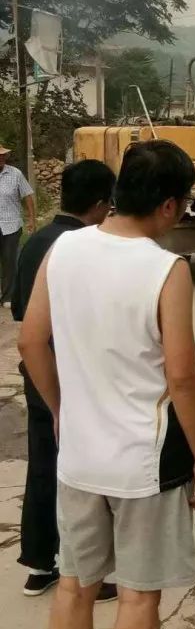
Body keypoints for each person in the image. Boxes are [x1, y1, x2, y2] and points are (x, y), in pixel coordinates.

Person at [20, 140, 195, 629]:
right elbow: (183, 376)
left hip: (78, 456)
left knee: (76, 585)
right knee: (137, 597)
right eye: (183, 205)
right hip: (144, 459)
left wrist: (61, 412)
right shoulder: (165, 270)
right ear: (166, 204)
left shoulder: (64, 248)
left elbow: (31, 343)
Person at [12, 159, 118, 599]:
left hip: (38, 374)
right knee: (90, 475)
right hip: (76, 376)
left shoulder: (35, 242)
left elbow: (21, 315)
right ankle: (95, 573)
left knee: (43, 469)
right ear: (99, 204)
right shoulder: (86, 247)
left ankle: (40, 565)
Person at [0, 144, 36, 306]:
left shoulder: (15, 174)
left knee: (9, 260)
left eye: (3, 156)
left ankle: (7, 296)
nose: (1, 158)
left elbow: (28, 196)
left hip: (11, 224)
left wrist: (31, 219)